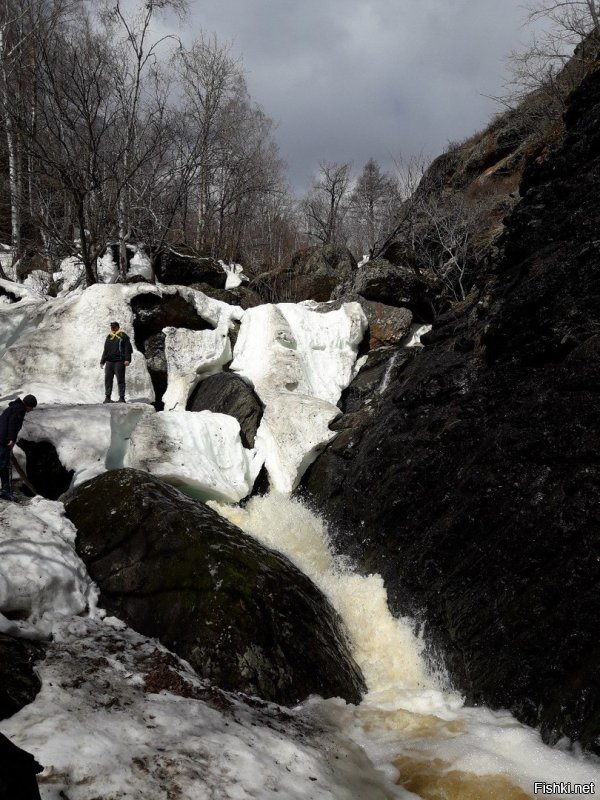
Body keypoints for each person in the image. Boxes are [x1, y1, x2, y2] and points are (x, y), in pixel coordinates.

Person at [0, 394, 37, 501]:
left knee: (4, 464)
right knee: (3, 465)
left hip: (2, 438)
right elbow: (12, 424)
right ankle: (6, 492)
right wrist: (11, 439)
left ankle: (6, 490)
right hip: (3, 441)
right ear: (28, 405)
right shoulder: (19, 410)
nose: (31, 410)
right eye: (32, 407)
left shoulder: (13, 407)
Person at [100, 321, 133, 403]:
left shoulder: (123, 336)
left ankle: (121, 398)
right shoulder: (109, 337)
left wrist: (127, 359)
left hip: (119, 362)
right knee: (108, 379)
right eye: (111, 327)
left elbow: (127, 348)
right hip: (109, 362)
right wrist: (102, 361)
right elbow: (105, 350)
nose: (112, 328)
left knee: (120, 380)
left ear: (118, 327)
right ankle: (107, 397)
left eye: (114, 327)